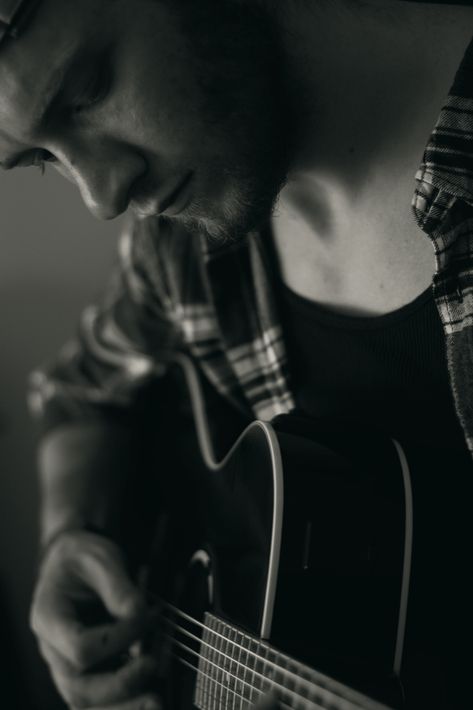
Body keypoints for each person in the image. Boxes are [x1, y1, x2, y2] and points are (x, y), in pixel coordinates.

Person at [0, 0, 472, 707]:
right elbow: (84, 390)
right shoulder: (182, 249)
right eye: (41, 158)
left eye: (87, 88)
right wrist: (74, 533)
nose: (100, 196)